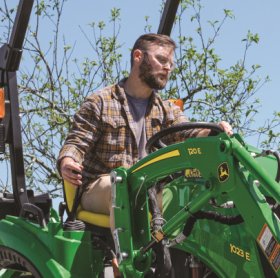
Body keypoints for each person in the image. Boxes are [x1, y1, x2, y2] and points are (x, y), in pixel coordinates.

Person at [57, 33, 233, 215]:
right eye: (162, 60)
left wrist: (215, 131)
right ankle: (126, 244)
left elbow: (190, 132)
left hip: (148, 188)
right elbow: (77, 143)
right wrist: (67, 161)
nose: (168, 68)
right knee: (123, 189)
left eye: (171, 64)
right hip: (100, 186)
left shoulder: (166, 109)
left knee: (193, 194)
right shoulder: (100, 102)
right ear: (138, 56)